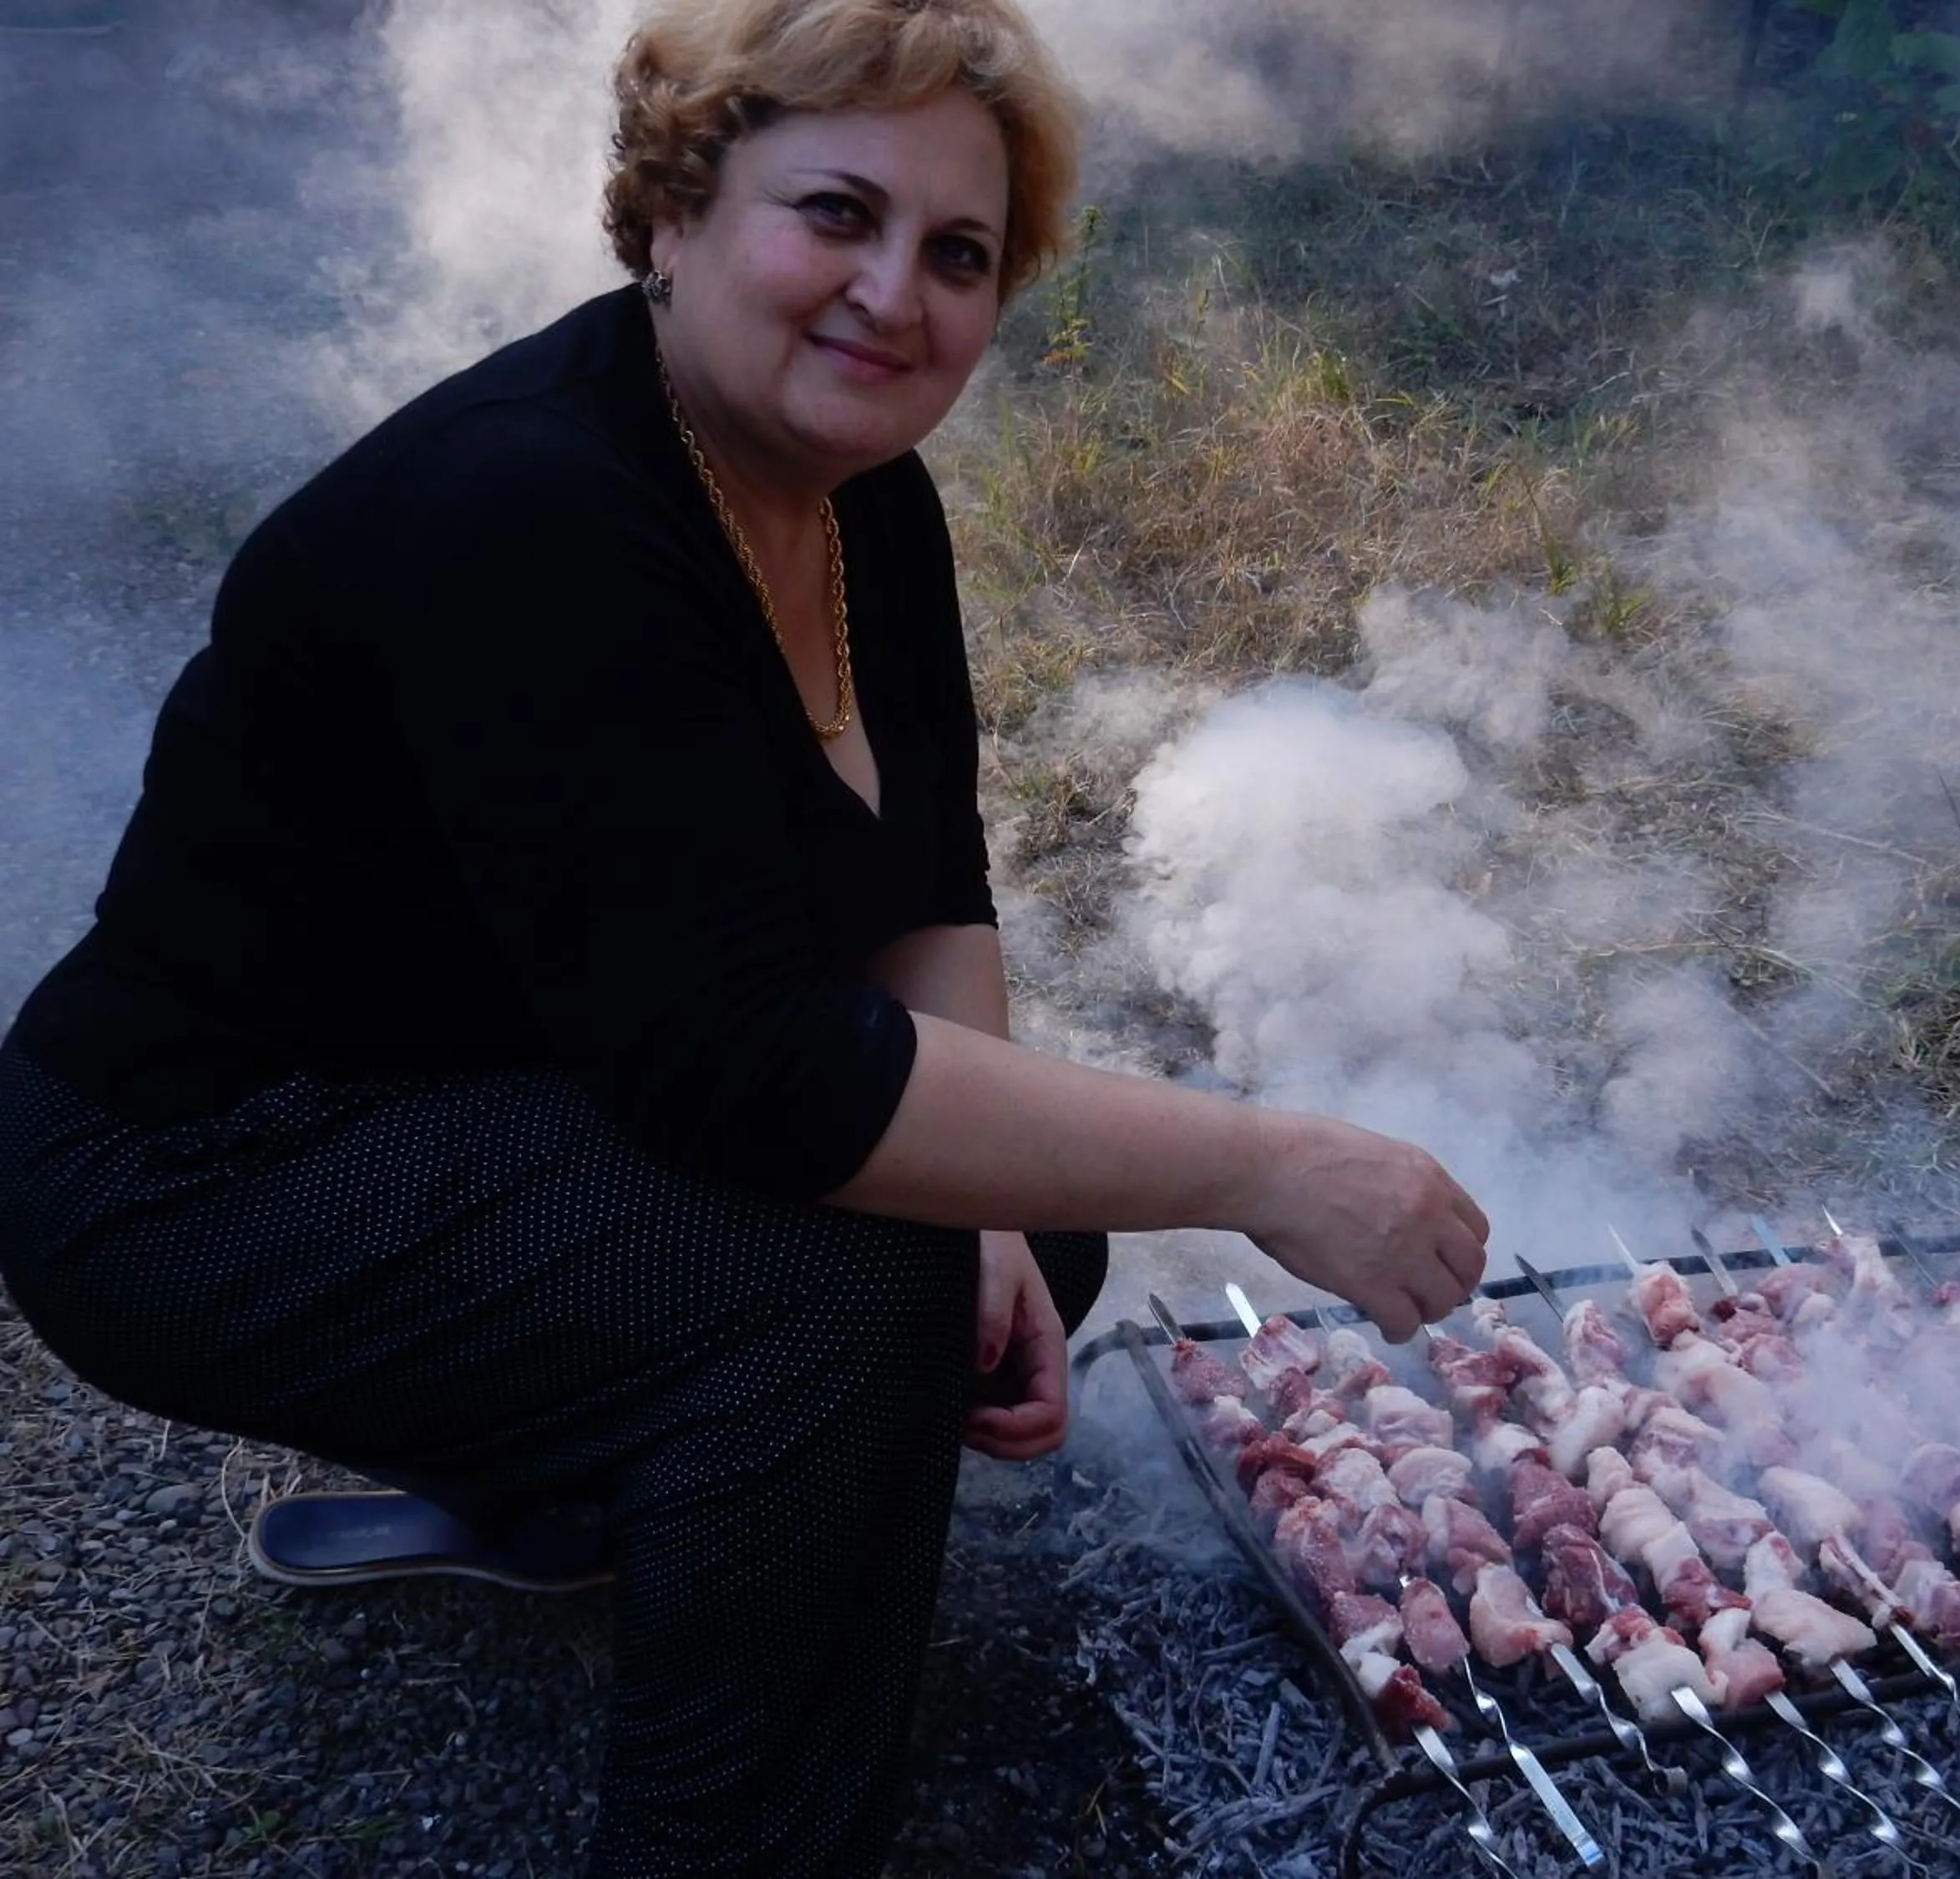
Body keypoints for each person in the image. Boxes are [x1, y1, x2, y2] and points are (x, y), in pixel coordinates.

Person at [0, 0, 1490, 1872]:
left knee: (1023, 1234)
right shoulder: (531, 506)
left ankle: (590, 1475)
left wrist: (996, 1209)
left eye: (958, 254)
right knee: (850, 1277)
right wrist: (1271, 1165)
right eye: (836, 214)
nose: (894, 294)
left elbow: (933, 887)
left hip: (505, 1078)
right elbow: (751, 1075)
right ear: (675, 208)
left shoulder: (863, 505)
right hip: (205, 1167)